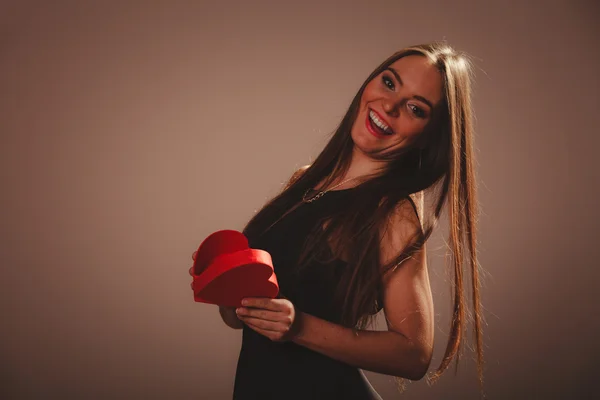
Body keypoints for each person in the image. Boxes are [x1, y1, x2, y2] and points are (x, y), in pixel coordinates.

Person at [212, 42, 483, 399]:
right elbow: (241, 320)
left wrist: (298, 326)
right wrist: (226, 288)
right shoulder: (305, 180)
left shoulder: (393, 214)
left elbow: (414, 355)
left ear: (428, 137)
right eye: (389, 83)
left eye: (415, 108)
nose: (389, 106)